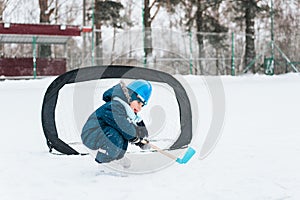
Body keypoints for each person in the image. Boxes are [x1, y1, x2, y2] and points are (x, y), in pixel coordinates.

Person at [81, 79, 152, 167]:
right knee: (116, 136)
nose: (139, 108)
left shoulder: (126, 111)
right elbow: (123, 126)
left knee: (122, 136)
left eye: (142, 105)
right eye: (138, 102)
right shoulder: (114, 106)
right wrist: (135, 137)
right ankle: (105, 162)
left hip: (104, 132)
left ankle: (117, 157)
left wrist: (142, 140)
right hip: (91, 134)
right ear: (130, 96)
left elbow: (132, 126)